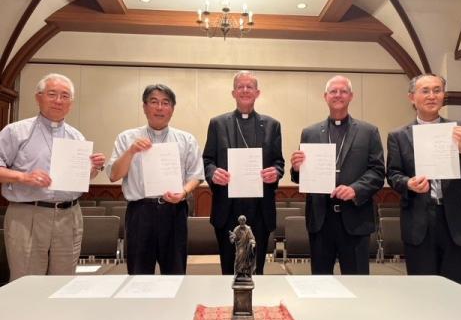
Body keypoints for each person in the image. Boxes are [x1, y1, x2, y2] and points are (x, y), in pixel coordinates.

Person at [0, 73, 106, 281]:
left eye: (65, 96)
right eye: (52, 94)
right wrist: (23, 177)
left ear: (71, 103)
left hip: (69, 215)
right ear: (38, 97)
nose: (59, 101)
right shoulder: (16, 132)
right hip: (28, 214)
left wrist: (94, 168)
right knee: (27, 282)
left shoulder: (76, 137)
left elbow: (82, 178)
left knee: (64, 281)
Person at [387, 73, 461, 285]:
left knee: (456, 288)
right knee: (423, 289)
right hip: (419, 220)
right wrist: (408, 183)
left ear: (444, 95)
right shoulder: (399, 136)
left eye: (437, 90)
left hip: (457, 221)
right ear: (412, 97)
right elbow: (393, 174)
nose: (432, 96)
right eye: (425, 91)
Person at [290, 75, 385, 275]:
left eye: (343, 91)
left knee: (357, 282)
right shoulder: (310, 133)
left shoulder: (369, 132)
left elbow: (377, 171)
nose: (338, 95)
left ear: (351, 96)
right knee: (320, 282)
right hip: (321, 220)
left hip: (356, 218)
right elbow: (302, 178)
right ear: (325, 96)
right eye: (333, 91)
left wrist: (355, 189)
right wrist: (297, 169)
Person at [106, 84, 204, 275]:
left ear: (172, 109)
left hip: (174, 211)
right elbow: (113, 175)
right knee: (138, 276)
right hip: (140, 213)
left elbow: (197, 175)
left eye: (165, 103)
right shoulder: (127, 138)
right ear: (144, 107)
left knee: (175, 274)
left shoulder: (186, 139)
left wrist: (183, 192)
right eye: (154, 102)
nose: (160, 108)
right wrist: (131, 152)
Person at [203, 70, 284, 275]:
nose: (245, 90)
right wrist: (213, 173)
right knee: (229, 270)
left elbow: (279, 162)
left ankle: (256, 306)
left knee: (257, 270)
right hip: (227, 209)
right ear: (233, 93)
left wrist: (276, 172)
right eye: (241, 86)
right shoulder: (218, 124)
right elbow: (207, 160)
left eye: (250, 87)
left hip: (260, 209)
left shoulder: (272, 125)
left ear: (257, 92)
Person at [229, 215, 256, 280]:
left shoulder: (248, 229)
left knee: (247, 261)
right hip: (239, 248)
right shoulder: (236, 229)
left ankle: (246, 274)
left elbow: (251, 238)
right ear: (239, 221)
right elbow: (234, 237)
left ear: (245, 220)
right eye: (241, 220)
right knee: (238, 259)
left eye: (243, 220)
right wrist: (232, 238)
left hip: (247, 248)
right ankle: (237, 273)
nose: (242, 221)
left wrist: (252, 243)